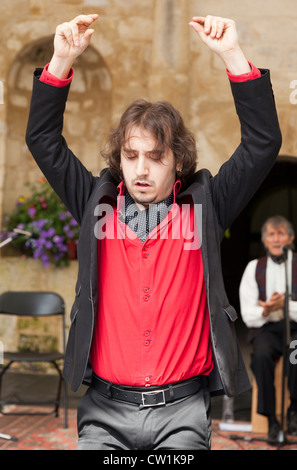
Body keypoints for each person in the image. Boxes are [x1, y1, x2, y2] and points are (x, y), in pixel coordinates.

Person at [25, 13, 282, 450]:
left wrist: (232, 55)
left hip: (181, 415)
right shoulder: (94, 204)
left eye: (156, 156)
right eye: (131, 155)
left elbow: (262, 142)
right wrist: (61, 61)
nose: (141, 169)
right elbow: (43, 139)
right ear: (119, 158)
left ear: (178, 161)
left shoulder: (207, 207)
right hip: (104, 413)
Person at [239, 215, 297, 444]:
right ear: (264, 241)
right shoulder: (254, 268)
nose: (276, 239)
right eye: (271, 234)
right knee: (261, 356)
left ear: (290, 238)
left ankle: (294, 409)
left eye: (281, 233)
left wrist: (284, 305)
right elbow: (248, 315)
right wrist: (266, 310)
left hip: (294, 329)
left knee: (296, 353)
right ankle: (272, 420)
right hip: (266, 329)